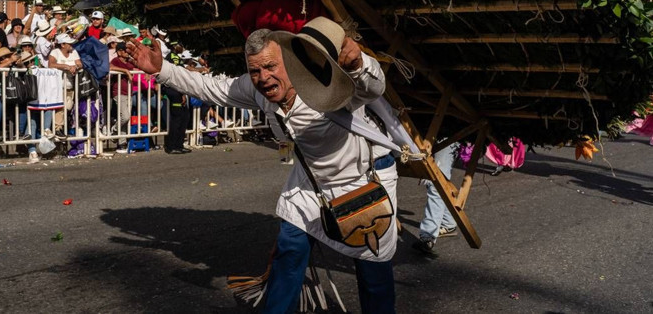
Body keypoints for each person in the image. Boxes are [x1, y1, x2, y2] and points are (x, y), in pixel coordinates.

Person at [126, 20, 397, 313]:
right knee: (290, 248)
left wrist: (358, 63)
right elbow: (210, 87)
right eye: (255, 70)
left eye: (270, 67)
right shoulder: (256, 88)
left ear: (290, 63)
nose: (263, 77)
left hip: (362, 180)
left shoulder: (330, 82)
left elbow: (372, 88)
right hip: (311, 185)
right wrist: (161, 69)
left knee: (373, 273)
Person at [412, 142, 459, 255]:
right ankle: (448, 223)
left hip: (447, 138)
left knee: (436, 184)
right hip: (427, 137)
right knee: (440, 183)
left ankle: (428, 236)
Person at [48, 33, 82, 137]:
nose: (71, 45)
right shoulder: (55, 52)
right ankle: (58, 128)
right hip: (58, 85)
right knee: (60, 107)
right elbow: (51, 64)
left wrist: (75, 67)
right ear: (62, 44)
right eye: (68, 43)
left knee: (68, 106)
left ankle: (60, 126)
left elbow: (80, 63)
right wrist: (66, 66)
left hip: (70, 85)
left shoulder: (73, 52)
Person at [161, 82, 190, 154]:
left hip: (179, 88)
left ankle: (179, 145)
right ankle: (172, 147)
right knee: (176, 119)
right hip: (173, 88)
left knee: (184, 117)